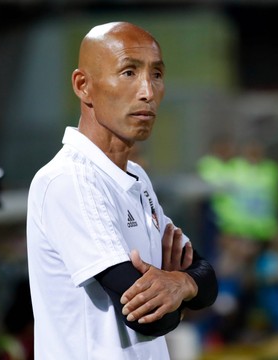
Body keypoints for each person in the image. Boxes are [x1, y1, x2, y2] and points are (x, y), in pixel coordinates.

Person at [26, 22, 218, 360]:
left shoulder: (135, 178)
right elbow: (148, 318)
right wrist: (181, 286)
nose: (147, 90)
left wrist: (181, 284)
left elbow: (207, 279)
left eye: (156, 74)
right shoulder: (68, 180)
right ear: (83, 86)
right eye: (129, 72)